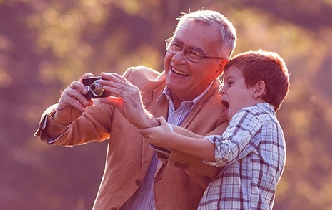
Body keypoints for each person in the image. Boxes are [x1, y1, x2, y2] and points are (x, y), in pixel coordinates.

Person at [35, 9, 237, 210]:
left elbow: (209, 166)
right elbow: (71, 131)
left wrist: (144, 120)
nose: (177, 59)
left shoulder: (228, 112)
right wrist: (62, 116)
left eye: (193, 54)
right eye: (175, 45)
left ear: (220, 68)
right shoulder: (136, 81)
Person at [139, 50, 289, 209]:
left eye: (230, 83)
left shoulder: (252, 114)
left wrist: (171, 139)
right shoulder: (272, 129)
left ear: (258, 89)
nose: (221, 90)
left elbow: (222, 150)